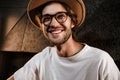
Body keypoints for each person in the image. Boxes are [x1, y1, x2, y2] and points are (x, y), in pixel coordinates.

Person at [7, 0, 120, 80]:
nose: (54, 23)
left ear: (73, 22)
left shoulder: (101, 61)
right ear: (42, 26)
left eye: (61, 16)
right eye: (47, 18)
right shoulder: (42, 59)